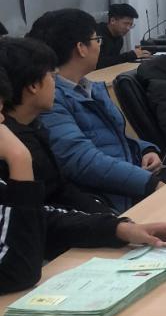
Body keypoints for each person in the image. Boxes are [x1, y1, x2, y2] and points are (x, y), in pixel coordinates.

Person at [0, 62, 166, 294]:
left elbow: (45, 219)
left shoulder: (36, 128)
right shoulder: (21, 147)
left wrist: (122, 229)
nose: (3, 124)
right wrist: (19, 158)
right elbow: (19, 271)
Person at [29, 9, 166, 213]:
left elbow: (115, 137)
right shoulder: (51, 101)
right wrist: (149, 183)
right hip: (109, 198)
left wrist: (146, 149)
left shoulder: (91, 88)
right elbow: (82, 161)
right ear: (81, 48)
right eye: (97, 40)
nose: (99, 45)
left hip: (130, 178)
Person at [0, 38, 114, 215]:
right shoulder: (12, 145)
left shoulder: (34, 127)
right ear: (33, 85)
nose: (56, 84)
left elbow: (61, 190)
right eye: (52, 76)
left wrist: (111, 220)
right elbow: (38, 216)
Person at [96, 4, 151, 69]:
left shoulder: (119, 38)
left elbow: (114, 62)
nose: (128, 28)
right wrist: (130, 55)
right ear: (112, 21)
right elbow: (98, 63)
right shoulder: (96, 35)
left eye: (131, 25)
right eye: (126, 23)